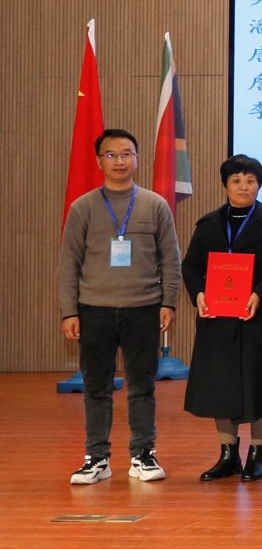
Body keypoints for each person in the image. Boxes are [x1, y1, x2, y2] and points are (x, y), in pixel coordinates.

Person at [60, 128, 183, 484]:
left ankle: (143, 454)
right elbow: (68, 263)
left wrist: (168, 301)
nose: (119, 161)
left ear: (137, 159)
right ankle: (96, 458)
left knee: (142, 386)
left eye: (126, 154)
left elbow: (170, 258)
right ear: (99, 161)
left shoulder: (154, 205)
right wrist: (70, 310)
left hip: (143, 308)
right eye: (111, 155)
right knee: (96, 387)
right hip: (93, 309)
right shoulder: (83, 207)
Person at [181, 154, 262, 482]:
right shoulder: (208, 224)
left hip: (260, 316)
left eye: (250, 181)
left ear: (259, 185)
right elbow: (190, 265)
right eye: (236, 181)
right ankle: (228, 455)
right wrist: (198, 293)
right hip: (218, 319)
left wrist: (260, 293)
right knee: (221, 384)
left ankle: (257, 455)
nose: (243, 186)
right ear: (225, 185)